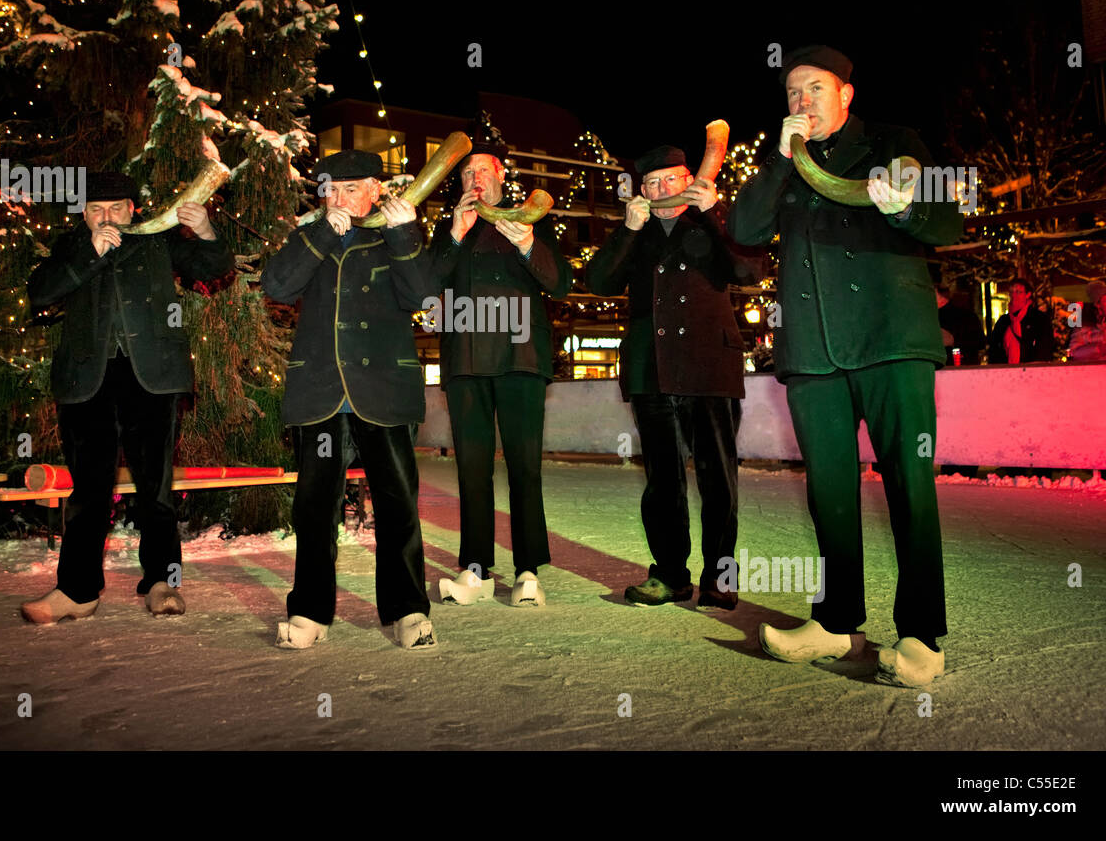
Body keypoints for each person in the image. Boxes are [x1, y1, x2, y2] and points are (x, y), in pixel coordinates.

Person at [727, 45, 964, 687]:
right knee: (828, 492)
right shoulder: (787, 162)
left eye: (815, 88)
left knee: (909, 488)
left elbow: (949, 217)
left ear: (846, 95)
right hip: (812, 351)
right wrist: (779, 161)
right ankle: (834, 623)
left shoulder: (894, 143)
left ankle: (920, 635)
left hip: (891, 341)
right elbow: (745, 228)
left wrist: (904, 207)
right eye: (792, 92)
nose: (802, 101)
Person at [22, 171, 235, 623]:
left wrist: (206, 231)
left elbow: (214, 267)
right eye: (96, 210)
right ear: (84, 214)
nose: (107, 217)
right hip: (87, 381)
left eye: (116, 208)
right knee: (89, 491)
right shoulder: (72, 247)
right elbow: (40, 294)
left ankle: (162, 582)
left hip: (151, 378)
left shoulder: (155, 240)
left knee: (155, 489)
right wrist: (89, 253)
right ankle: (77, 592)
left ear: (132, 209)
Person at [259, 149, 436, 651]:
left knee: (398, 502)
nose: (338, 198)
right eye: (330, 189)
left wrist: (404, 235)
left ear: (377, 190)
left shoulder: (396, 234)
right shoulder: (310, 235)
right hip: (320, 392)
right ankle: (311, 610)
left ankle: (406, 609)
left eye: (351, 188)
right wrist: (321, 233)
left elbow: (425, 298)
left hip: (383, 391)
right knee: (315, 507)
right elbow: (276, 285)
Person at [586, 144, 752, 608]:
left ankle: (720, 577)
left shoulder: (710, 223)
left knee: (718, 477)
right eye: (653, 183)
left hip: (708, 366)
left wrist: (715, 212)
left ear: (690, 180)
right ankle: (671, 575)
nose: (663, 189)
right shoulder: (634, 232)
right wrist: (627, 230)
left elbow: (747, 269)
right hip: (650, 369)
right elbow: (598, 283)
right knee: (662, 479)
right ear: (642, 190)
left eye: (672, 179)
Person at [428, 141, 572, 608]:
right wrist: (453, 234)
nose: (475, 178)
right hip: (466, 362)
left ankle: (528, 570)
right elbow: (425, 287)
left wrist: (527, 243)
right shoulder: (449, 226)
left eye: (483, 170)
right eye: (467, 172)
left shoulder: (532, 219)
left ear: (501, 177)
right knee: (472, 471)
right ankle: (475, 570)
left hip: (520, 360)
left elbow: (561, 283)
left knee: (524, 469)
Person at [986, 278, 1053, 364]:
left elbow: (1045, 348)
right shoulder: (1003, 321)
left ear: (1028, 295)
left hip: (1031, 371)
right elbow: (994, 349)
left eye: (1018, 292)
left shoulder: (1039, 319)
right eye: (1011, 292)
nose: (1013, 295)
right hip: (1006, 372)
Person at [1069, 280, 1106, 361]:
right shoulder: (1083, 326)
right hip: (1092, 370)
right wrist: (1098, 348)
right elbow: (1074, 353)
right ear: (1097, 304)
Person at [936, 284, 985, 365]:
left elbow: (979, 342)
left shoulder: (966, 316)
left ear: (939, 296)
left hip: (957, 366)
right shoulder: (967, 315)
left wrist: (954, 341)